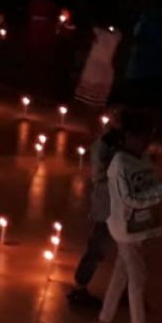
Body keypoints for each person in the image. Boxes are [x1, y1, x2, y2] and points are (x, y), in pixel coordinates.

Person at [98, 110, 162, 323]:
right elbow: (131, 198)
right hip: (125, 229)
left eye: (149, 139)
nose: (146, 144)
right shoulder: (120, 163)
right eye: (142, 139)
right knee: (138, 277)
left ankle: (105, 319)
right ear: (128, 137)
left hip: (136, 226)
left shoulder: (141, 158)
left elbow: (146, 185)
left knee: (121, 274)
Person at [68, 121, 124, 307]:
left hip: (118, 204)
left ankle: (122, 288)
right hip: (108, 205)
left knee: (125, 249)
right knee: (98, 246)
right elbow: (105, 172)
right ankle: (80, 288)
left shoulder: (114, 144)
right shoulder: (107, 146)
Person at [74, 24, 122, 108]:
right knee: (90, 82)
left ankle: (94, 107)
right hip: (95, 62)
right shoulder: (98, 31)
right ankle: (81, 105)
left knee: (98, 87)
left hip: (104, 64)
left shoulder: (116, 35)